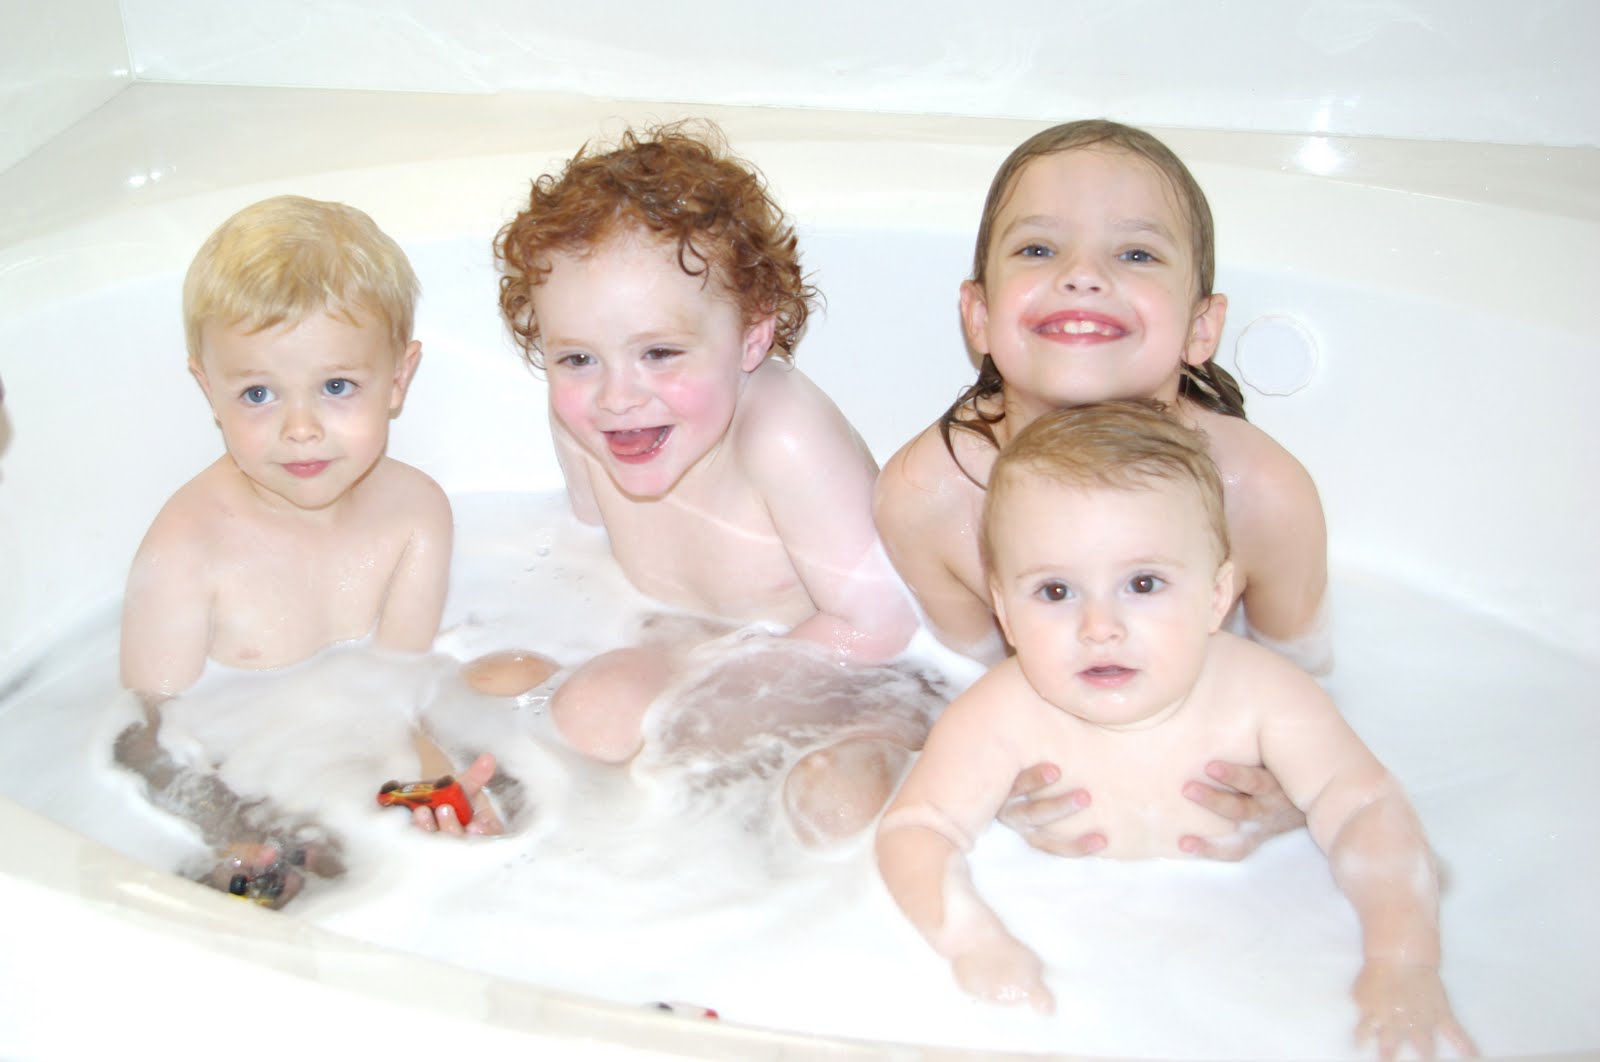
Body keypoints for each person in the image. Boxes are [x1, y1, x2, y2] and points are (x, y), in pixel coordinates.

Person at [876, 403, 1475, 1059]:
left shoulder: (1264, 696)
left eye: (1143, 583)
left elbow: (1368, 808)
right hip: (1061, 951)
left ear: (1217, 597)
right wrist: (973, 941)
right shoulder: (1000, 715)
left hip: (1261, 959)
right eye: (1055, 592)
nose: (1098, 625)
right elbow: (917, 830)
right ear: (1004, 610)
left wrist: (1402, 958)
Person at [875, 119, 1328, 860]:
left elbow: (1307, 683)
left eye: (1137, 253)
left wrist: (1294, 791)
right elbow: (969, 685)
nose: (1083, 274)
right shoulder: (929, 501)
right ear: (980, 315)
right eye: (1039, 249)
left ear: (1201, 327)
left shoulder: (1261, 497)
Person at [475, 122, 922, 844]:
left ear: (751, 337)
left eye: (659, 352)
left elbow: (882, 624)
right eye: (577, 359)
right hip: (698, 650)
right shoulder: (585, 421)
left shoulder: (781, 434)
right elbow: (582, 543)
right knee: (506, 690)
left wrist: (705, 693)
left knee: (836, 799)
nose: (617, 396)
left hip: (855, 685)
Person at [116, 196, 516, 901]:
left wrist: (432, 780)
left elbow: (402, 686)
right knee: (258, 887)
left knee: (509, 815)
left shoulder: (417, 514)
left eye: (336, 387)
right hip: (237, 784)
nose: (300, 429)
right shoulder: (188, 549)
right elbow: (146, 739)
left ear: (397, 380)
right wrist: (233, 832)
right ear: (208, 390)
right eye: (259, 394)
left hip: (352, 763)